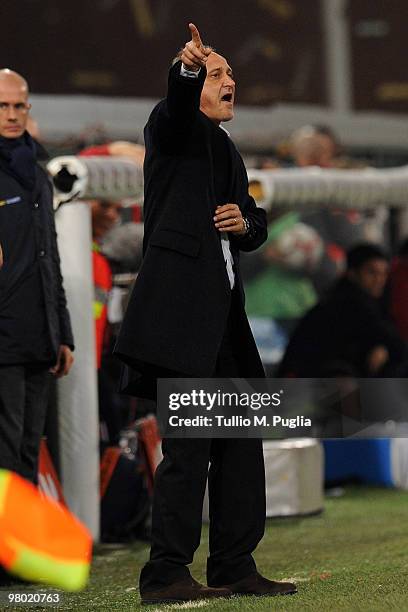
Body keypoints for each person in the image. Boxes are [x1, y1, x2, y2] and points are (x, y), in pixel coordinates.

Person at [114, 23, 297, 605]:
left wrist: (246, 226)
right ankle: (164, 574)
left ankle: (234, 565)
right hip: (180, 323)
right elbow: (172, 105)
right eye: (216, 75)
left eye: (229, 74)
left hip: (225, 322)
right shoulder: (171, 131)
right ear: (192, 84)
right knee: (188, 451)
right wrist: (186, 68)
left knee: (242, 442)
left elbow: (254, 218)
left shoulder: (227, 147)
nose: (229, 82)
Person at [0, 69, 74, 485]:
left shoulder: (38, 174)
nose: (11, 115)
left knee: (28, 452)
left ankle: (15, 548)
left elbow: (50, 258)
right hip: (3, 338)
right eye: (3, 106)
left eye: (18, 106)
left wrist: (61, 333)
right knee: (6, 454)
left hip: (39, 336)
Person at [279, 243, 407, 378]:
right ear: (352, 273)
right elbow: (393, 343)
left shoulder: (361, 300)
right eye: (372, 272)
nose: (379, 280)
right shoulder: (349, 304)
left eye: (384, 273)